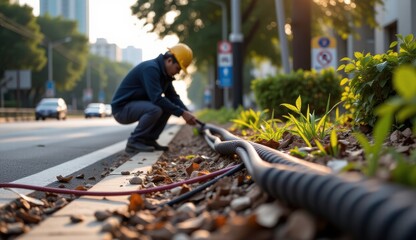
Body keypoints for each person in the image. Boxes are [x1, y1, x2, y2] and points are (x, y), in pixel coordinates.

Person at [111, 43, 198, 153]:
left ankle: (148, 140)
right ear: (170, 60)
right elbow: (156, 99)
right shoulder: (151, 69)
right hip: (121, 109)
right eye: (178, 68)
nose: (178, 72)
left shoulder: (165, 75)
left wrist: (187, 112)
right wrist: (182, 113)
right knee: (155, 108)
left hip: (135, 106)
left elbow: (173, 97)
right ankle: (134, 142)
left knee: (168, 106)